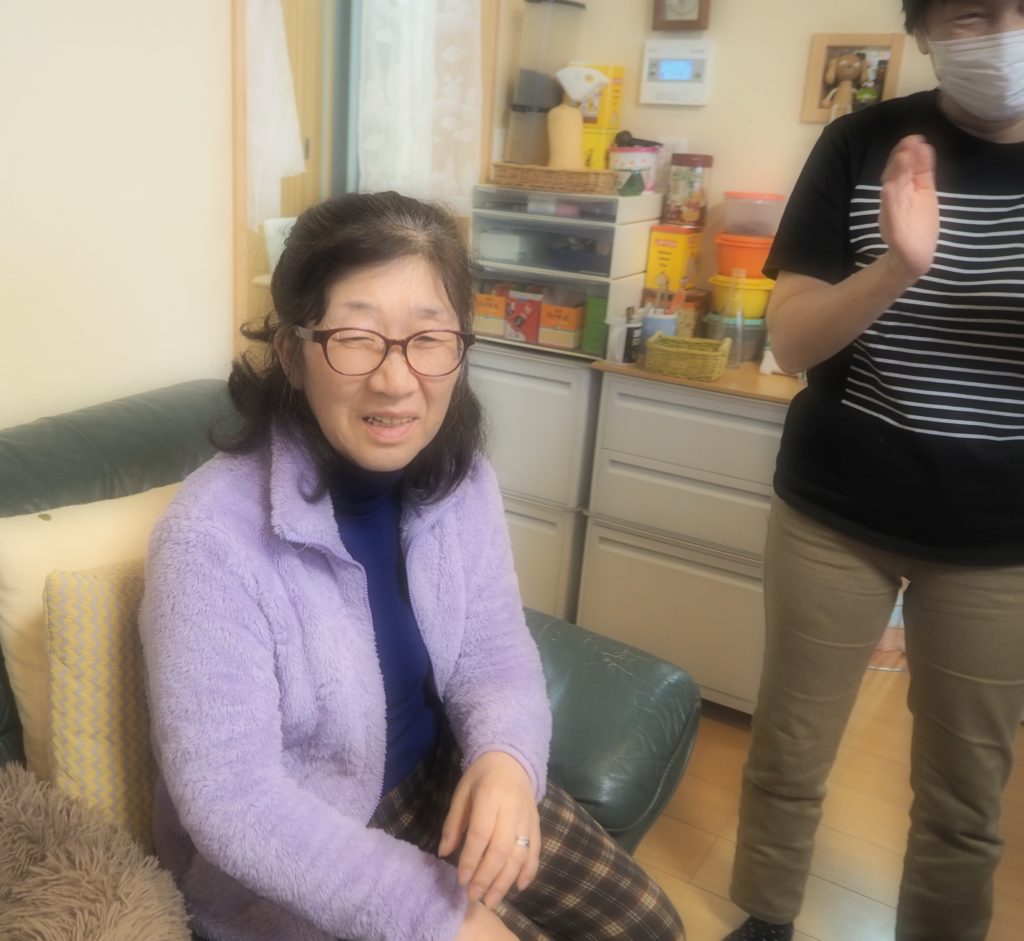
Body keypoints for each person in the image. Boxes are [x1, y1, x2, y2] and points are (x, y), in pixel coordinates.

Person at [139, 191, 685, 941]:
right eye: (356, 337)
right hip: (308, 851)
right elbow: (233, 801)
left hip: (441, 780)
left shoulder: (459, 478)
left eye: (428, 338)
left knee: (652, 926)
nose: (397, 381)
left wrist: (506, 760)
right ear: (293, 354)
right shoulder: (208, 540)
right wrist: (437, 919)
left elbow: (494, 648)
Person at [723, 3, 1024, 940]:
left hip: (1000, 539)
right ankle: (765, 920)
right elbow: (790, 341)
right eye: (973, 12)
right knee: (789, 747)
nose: (1005, 32)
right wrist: (897, 267)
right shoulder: (862, 143)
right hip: (835, 509)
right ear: (925, 29)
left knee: (965, 792)